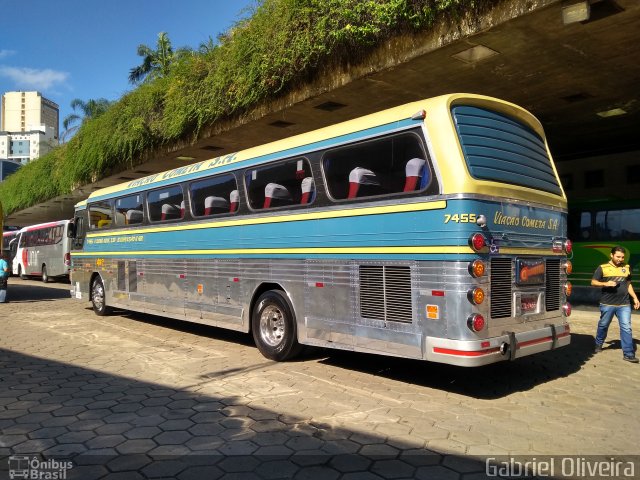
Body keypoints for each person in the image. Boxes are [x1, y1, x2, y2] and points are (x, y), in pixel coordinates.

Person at [591, 246, 640, 363]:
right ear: (611, 255)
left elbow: (628, 284)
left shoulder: (626, 267)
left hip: (624, 304)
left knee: (626, 327)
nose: (620, 259)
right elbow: (593, 282)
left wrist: (635, 298)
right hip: (607, 304)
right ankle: (598, 343)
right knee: (603, 325)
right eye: (618, 257)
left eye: (622, 257)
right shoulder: (603, 267)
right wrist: (606, 283)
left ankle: (628, 354)